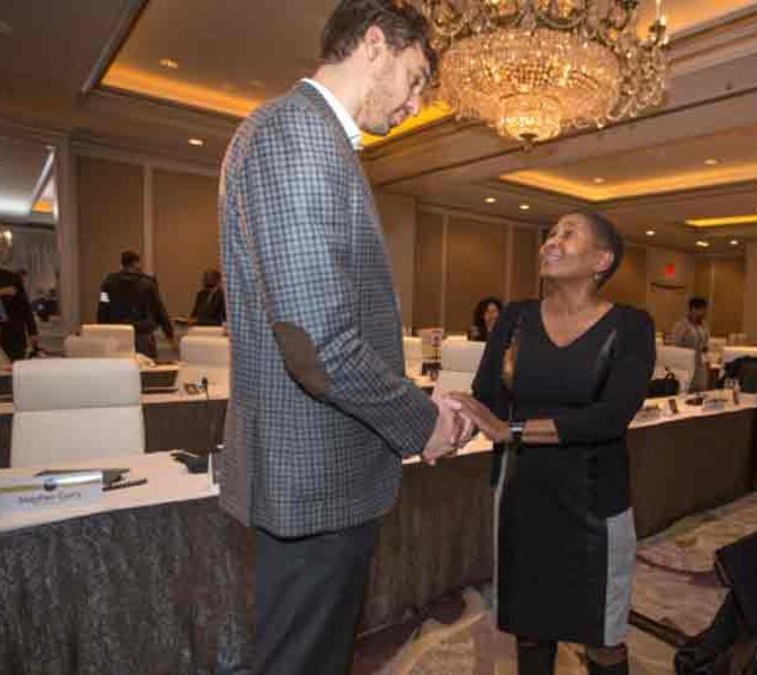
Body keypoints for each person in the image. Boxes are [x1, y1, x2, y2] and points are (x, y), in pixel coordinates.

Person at [217, 3, 466, 674]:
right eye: (416, 79)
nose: (417, 103)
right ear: (377, 45)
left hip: (324, 472)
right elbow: (318, 347)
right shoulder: (296, 132)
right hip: (313, 476)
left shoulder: (316, 140)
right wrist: (422, 422)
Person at [450, 211, 655, 675]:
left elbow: (612, 415)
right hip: (523, 496)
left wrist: (516, 431)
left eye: (567, 234)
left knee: (603, 637)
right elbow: (487, 399)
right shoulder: (516, 318)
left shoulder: (631, 326)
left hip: (594, 503)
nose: (550, 243)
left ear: (601, 259)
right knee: (531, 628)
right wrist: (444, 424)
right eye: (549, 235)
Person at [97, 250, 175, 359]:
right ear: (136, 263)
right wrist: (169, 334)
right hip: (142, 337)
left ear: (122, 264)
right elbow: (159, 309)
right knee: (146, 371)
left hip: (117, 337)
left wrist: (103, 331)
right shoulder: (148, 283)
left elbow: (102, 307)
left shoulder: (107, 284)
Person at [670, 297, 710, 392]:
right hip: (686, 364)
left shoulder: (704, 326)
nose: (704, 313)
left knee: (701, 392)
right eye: (701, 310)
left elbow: (705, 343)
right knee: (687, 392)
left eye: (704, 310)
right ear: (693, 309)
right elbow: (675, 346)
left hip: (701, 365)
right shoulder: (681, 325)